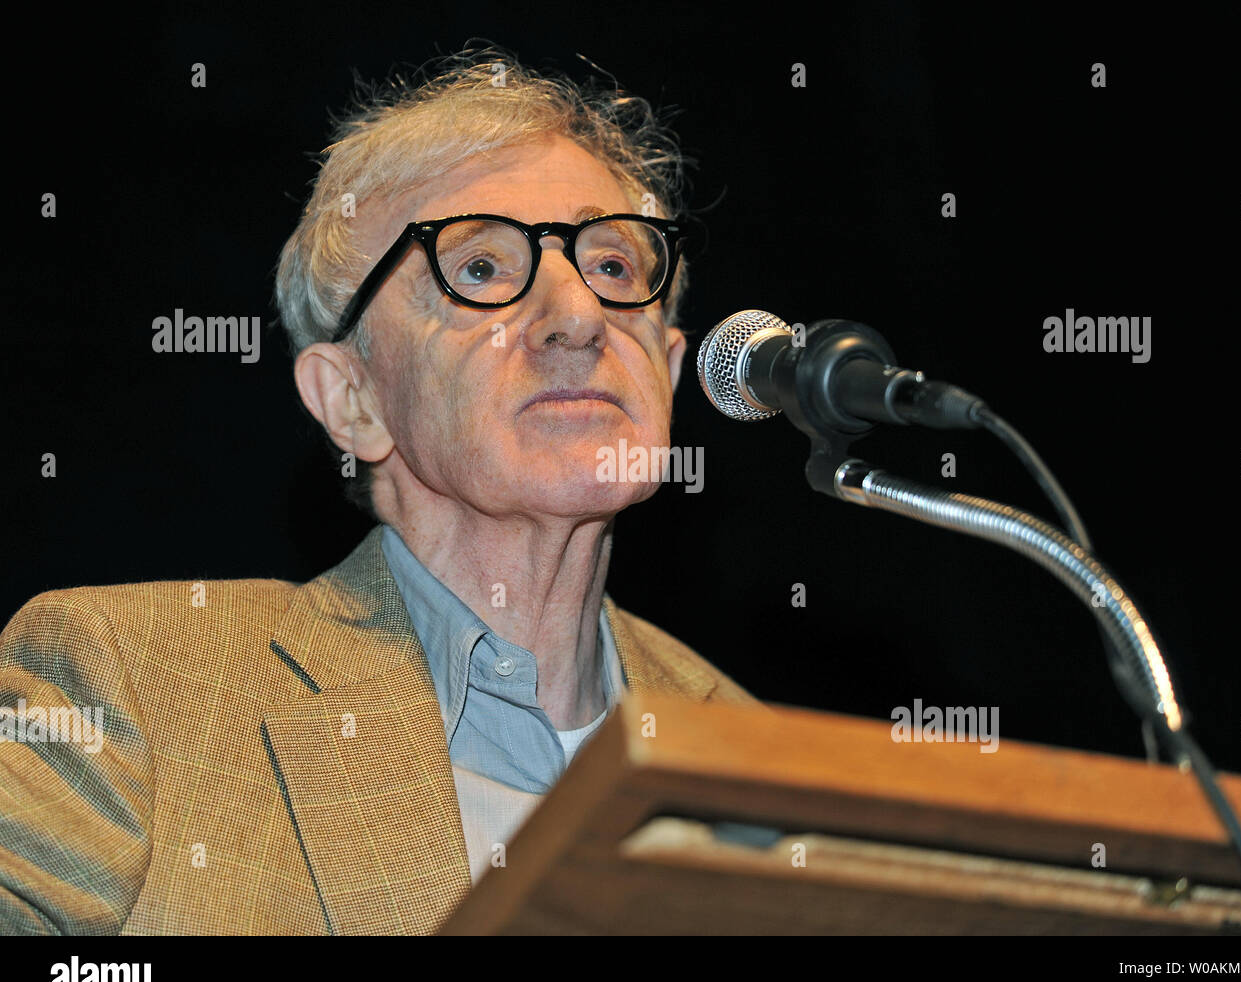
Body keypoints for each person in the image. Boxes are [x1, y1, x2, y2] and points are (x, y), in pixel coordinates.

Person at [0, 47, 760, 936]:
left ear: (668, 370)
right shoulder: (135, 686)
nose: (580, 317)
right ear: (353, 400)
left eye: (616, 269)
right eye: (479, 269)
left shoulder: (763, 760)